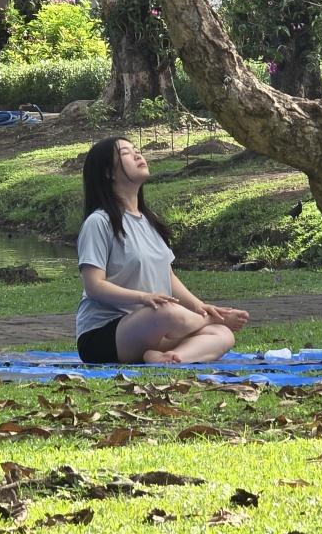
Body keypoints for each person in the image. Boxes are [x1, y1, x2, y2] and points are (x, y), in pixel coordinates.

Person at [76, 136, 249, 364]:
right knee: (167, 312)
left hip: (153, 329)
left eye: (136, 150)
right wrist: (144, 298)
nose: (138, 155)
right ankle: (206, 322)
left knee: (223, 335)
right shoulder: (99, 222)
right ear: (108, 172)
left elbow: (168, 275)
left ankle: (169, 358)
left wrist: (200, 306)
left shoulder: (149, 221)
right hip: (105, 336)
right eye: (126, 153)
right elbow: (95, 286)